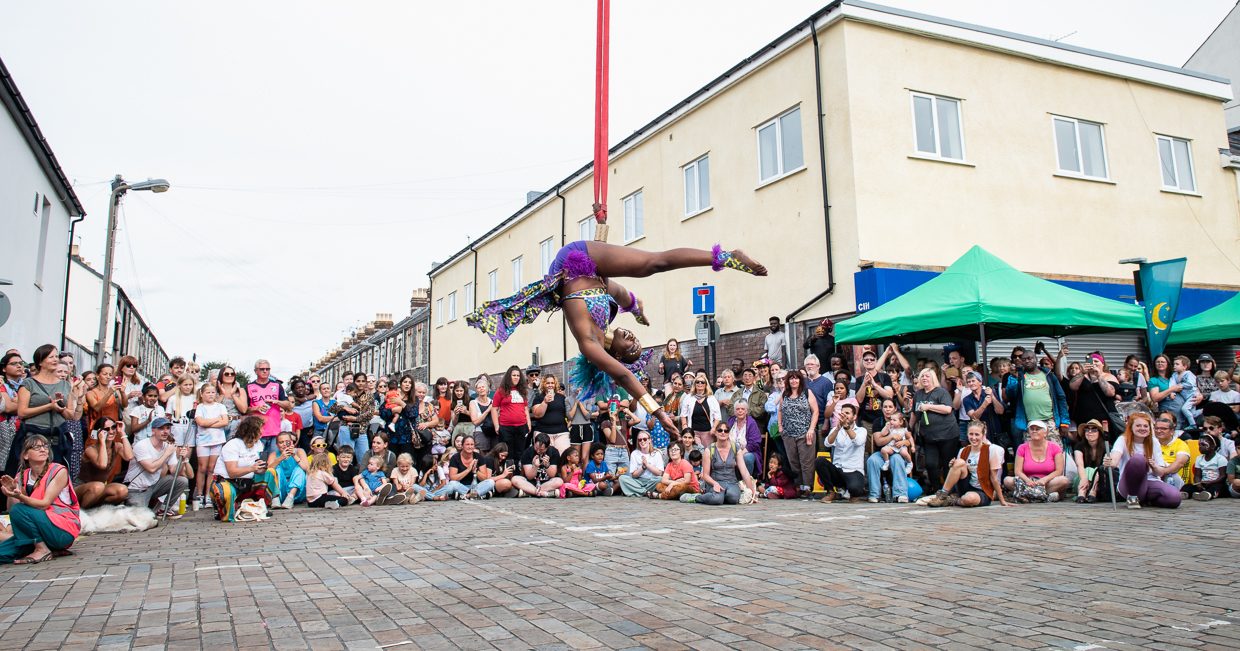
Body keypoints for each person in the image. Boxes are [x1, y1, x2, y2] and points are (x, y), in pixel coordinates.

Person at [467, 242, 766, 441]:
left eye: (631, 348)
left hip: (572, 262)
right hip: (593, 273)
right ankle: (725, 259)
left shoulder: (590, 344)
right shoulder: (607, 317)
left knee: (652, 264)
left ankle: (727, 259)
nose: (635, 342)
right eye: (637, 345)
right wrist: (637, 312)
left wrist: (658, 412)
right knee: (648, 268)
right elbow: (620, 293)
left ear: (616, 353)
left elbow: (623, 375)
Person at [0, 435, 80, 564]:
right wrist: (11, 492)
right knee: (2, 554)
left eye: (45, 446)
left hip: (62, 529)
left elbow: (44, 504)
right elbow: (11, 510)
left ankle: (42, 549)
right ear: (26, 455)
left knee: (19, 509)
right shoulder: (22, 475)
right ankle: (48, 548)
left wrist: (20, 496)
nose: (43, 449)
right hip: (38, 530)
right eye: (37, 447)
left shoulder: (58, 471)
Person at [9, 345, 77, 475]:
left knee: (54, 476)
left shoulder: (65, 385)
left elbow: (70, 414)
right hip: (33, 437)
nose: (55, 359)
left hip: (56, 439)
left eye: (56, 356)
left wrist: (59, 407)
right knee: (28, 476)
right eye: (51, 357)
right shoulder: (29, 383)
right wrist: (49, 406)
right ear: (40, 362)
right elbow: (22, 412)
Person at [925, 420, 1010, 508]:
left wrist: (1002, 500)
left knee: (968, 499)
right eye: (971, 434)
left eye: (977, 434)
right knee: (959, 462)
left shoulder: (992, 450)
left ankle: (953, 500)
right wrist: (953, 466)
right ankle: (942, 495)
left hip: (982, 490)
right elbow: (959, 469)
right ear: (967, 434)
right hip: (965, 485)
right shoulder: (963, 450)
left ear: (983, 434)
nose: (973, 438)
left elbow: (994, 478)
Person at [1103, 412, 1179, 509]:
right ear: (1131, 427)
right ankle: (1132, 497)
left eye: (1145, 426)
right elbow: (1115, 458)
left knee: (1174, 498)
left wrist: (1154, 466)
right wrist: (1110, 461)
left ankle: (1148, 500)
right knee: (1138, 459)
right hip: (1129, 485)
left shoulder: (1154, 441)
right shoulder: (1123, 439)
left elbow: (1160, 473)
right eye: (1138, 425)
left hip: (1150, 481)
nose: (1142, 428)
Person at [211, 416, 277, 521]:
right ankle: (222, 508)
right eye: (260, 429)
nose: (262, 432)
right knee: (227, 514)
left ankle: (260, 505)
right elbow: (232, 472)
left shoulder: (258, 444)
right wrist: (252, 468)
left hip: (248, 481)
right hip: (227, 481)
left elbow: (256, 467)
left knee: (270, 472)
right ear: (252, 431)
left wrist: (261, 468)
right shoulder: (233, 445)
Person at [1000, 349, 1070, 446]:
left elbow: (1061, 397)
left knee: (1055, 454)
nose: (1027, 361)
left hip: (1050, 421)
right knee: (1032, 457)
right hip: (1030, 423)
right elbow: (1010, 395)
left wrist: (1064, 422)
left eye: (1030, 358)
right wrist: (1014, 377)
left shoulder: (1048, 375)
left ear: (1036, 359)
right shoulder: (1020, 377)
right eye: (1024, 359)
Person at [124, 418, 192, 516]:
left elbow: (174, 471)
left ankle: (164, 509)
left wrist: (182, 459)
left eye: (167, 428)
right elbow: (151, 469)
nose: (165, 432)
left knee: (182, 480)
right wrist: (166, 454)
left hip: (154, 485)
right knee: (140, 518)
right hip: (137, 489)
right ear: (153, 430)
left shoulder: (168, 447)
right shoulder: (142, 445)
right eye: (161, 428)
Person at [690, 421, 758, 505]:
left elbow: (744, 471)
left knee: (732, 498)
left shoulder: (735, 447)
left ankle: (722, 496)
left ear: (728, 433)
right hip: (715, 481)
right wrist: (715, 483)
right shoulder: (709, 450)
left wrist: (752, 493)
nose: (723, 432)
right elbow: (705, 475)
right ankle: (696, 497)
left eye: (726, 431)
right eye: (720, 430)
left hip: (732, 482)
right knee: (717, 500)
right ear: (715, 432)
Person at [913, 368, 958, 492]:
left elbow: (948, 409)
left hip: (947, 434)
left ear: (933, 378)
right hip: (928, 436)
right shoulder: (918, 394)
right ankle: (937, 489)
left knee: (947, 464)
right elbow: (915, 413)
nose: (924, 378)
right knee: (931, 464)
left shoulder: (941, 392)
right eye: (922, 376)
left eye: (927, 376)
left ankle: (950, 491)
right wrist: (910, 428)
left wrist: (929, 407)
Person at [1002, 420, 1069, 502]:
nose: (1034, 431)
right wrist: (1028, 480)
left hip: (1047, 483)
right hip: (1028, 483)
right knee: (1007, 480)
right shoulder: (1022, 447)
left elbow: (1059, 471)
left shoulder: (1055, 447)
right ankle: (1043, 496)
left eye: (1037, 429)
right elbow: (1018, 471)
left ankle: (1026, 495)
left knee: (1063, 480)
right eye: (1032, 429)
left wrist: (1044, 480)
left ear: (1045, 433)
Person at [74, 417, 132, 508]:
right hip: (82, 488)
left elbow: (129, 457)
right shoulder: (90, 449)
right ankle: (83, 512)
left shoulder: (117, 446)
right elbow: (102, 465)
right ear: (99, 432)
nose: (111, 431)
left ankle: (98, 508)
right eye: (106, 429)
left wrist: (122, 433)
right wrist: (102, 441)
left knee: (122, 490)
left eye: (113, 427)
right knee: (98, 487)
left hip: (100, 487)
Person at [778, 369, 819, 496]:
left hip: (805, 432)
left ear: (800, 380)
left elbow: (815, 411)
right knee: (793, 461)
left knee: (806, 461)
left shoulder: (807, 392)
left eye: (796, 378)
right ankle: (798, 485)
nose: (794, 380)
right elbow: (780, 410)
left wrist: (811, 429)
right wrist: (780, 426)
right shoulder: (785, 394)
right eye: (791, 378)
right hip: (789, 434)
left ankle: (808, 486)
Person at [816, 403, 867, 503]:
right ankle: (831, 492)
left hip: (853, 470)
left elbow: (858, 441)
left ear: (855, 416)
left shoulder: (862, 430)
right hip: (838, 470)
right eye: (842, 413)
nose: (844, 415)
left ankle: (850, 491)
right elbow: (827, 443)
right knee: (819, 461)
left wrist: (847, 427)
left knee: (855, 489)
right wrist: (838, 429)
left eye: (847, 413)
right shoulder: (836, 429)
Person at [191, 383, 230, 509]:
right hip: (203, 440)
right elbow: (200, 422)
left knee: (212, 468)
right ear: (202, 394)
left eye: (213, 392)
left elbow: (225, 421)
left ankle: (208, 495)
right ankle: (200, 494)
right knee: (202, 467)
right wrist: (215, 420)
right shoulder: (200, 407)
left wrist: (208, 423)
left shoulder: (221, 406)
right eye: (207, 392)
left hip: (217, 440)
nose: (210, 395)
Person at [246, 359, 292, 459]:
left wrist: (277, 402)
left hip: (275, 431)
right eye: (262, 369)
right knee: (258, 462)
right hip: (257, 432)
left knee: (273, 463)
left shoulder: (277, 385)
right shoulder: (249, 387)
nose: (265, 371)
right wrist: (256, 408)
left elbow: (288, 406)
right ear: (255, 371)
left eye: (267, 369)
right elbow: (244, 410)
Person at [492, 366, 532, 460]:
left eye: (518, 375)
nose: (516, 377)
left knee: (520, 452)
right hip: (506, 428)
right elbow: (494, 409)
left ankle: (518, 473)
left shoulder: (522, 391)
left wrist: (528, 423)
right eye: (514, 375)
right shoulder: (501, 391)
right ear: (509, 376)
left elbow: (525, 408)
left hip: (521, 427)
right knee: (507, 453)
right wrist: (496, 426)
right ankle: (508, 474)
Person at [851, 348, 893, 434]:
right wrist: (864, 384)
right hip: (866, 420)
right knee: (869, 447)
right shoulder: (859, 380)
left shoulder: (884, 377)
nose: (869, 361)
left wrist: (874, 384)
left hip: (884, 419)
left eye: (872, 359)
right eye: (866, 359)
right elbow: (859, 400)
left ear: (876, 361)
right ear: (863, 362)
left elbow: (889, 396)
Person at [512, 433, 565, 497]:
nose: (538, 451)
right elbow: (529, 476)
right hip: (531, 483)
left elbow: (552, 475)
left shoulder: (553, 452)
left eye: (541, 449)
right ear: (534, 443)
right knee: (515, 479)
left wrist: (547, 465)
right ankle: (544, 493)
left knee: (559, 481)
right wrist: (535, 466)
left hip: (546, 483)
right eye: (536, 448)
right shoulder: (528, 452)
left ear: (547, 447)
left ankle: (530, 492)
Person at [267, 432, 308, 509]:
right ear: (277, 445)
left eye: (287, 441)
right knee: (276, 469)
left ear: (291, 442)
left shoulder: (299, 451)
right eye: (281, 442)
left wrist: (294, 455)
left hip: (297, 491)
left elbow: (307, 468)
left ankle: (290, 497)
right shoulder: (274, 454)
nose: (284, 444)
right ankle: (275, 497)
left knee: (299, 469)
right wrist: (280, 458)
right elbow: (268, 470)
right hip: (281, 490)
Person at [1072, 420, 1110, 503]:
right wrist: (1083, 478)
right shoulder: (1079, 446)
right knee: (1087, 470)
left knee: (1098, 470)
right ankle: (1082, 493)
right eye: (1087, 430)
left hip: (1100, 481)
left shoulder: (1106, 446)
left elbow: (1105, 467)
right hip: (1082, 479)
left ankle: (1093, 492)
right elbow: (1080, 465)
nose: (1089, 432)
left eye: (1094, 430)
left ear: (1099, 433)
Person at [680, 372, 721, 448]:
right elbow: (683, 415)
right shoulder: (688, 397)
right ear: (694, 384)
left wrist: (714, 428)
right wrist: (685, 427)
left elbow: (717, 416)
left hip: (708, 432)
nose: (700, 384)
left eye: (702, 382)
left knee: (707, 453)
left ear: (706, 384)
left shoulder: (711, 398)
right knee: (696, 454)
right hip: (693, 432)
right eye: (697, 382)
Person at [530, 375, 570, 453]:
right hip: (543, 432)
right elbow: (537, 415)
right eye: (548, 383)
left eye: (552, 383)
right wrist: (545, 402)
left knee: (563, 456)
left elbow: (568, 414)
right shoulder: (539, 397)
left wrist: (569, 424)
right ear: (544, 384)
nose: (550, 385)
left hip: (561, 432)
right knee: (544, 457)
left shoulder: (561, 397)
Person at [618, 430, 664, 497]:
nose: (642, 441)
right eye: (640, 440)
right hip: (638, 481)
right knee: (622, 478)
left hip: (652, 481)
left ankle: (638, 491)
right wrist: (642, 468)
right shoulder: (634, 453)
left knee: (660, 479)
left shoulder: (657, 453)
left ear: (649, 440)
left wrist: (647, 465)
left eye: (645, 439)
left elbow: (660, 473)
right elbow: (633, 475)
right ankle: (646, 492)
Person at [1184, 432, 1227, 501]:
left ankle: (1207, 494)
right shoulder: (1199, 458)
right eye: (1199, 445)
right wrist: (1198, 484)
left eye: (1203, 445)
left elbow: (1223, 476)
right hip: (1203, 483)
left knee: (1217, 488)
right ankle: (1185, 493)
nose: (1200, 447)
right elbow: (1197, 475)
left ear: (1213, 446)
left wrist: (1210, 482)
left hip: (1216, 483)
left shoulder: (1220, 459)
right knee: (1188, 486)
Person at [725, 401, 762, 479]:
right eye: (737, 409)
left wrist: (739, 455)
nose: (740, 411)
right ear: (734, 411)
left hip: (747, 452)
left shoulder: (751, 423)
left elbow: (754, 444)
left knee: (747, 458)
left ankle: (746, 482)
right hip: (730, 451)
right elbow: (724, 437)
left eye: (742, 409)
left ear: (746, 411)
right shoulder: (730, 421)